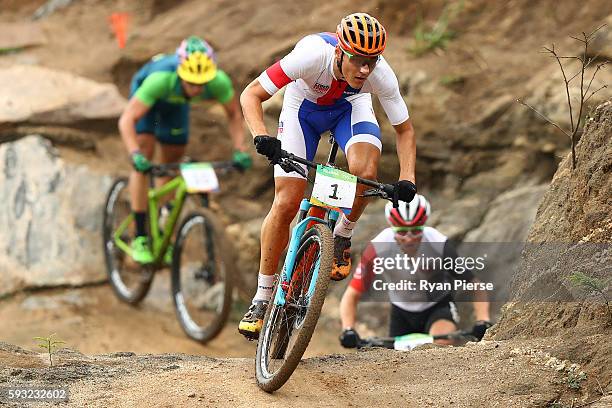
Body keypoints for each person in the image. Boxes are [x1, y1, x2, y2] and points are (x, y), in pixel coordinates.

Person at [238, 13, 417, 339]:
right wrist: (262, 135)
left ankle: (343, 234)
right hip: (301, 112)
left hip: (350, 109)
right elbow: (251, 94)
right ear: (339, 52)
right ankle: (262, 297)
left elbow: (404, 130)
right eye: (358, 60)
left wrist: (408, 178)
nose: (365, 69)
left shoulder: (381, 76)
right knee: (287, 201)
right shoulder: (310, 55)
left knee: (365, 173)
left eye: (372, 61)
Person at [118, 35, 251, 264]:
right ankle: (140, 235)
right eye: (191, 82)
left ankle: (162, 228)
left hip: (176, 104)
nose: (197, 89)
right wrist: (135, 154)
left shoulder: (218, 82)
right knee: (145, 155)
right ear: (181, 73)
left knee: (172, 164)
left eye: (202, 83)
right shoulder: (159, 79)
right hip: (148, 100)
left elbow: (233, 114)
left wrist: (240, 149)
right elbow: (126, 120)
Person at [339, 195, 493, 348]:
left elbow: (474, 284)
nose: (409, 238)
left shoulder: (438, 243)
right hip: (401, 312)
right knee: (396, 363)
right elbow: (352, 294)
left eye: (416, 231)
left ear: (424, 226)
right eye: (402, 232)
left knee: (441, 344)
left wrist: (482, 320)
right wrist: (348, 330)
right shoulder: (379, 246)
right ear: (392, 228)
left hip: (438, 307)